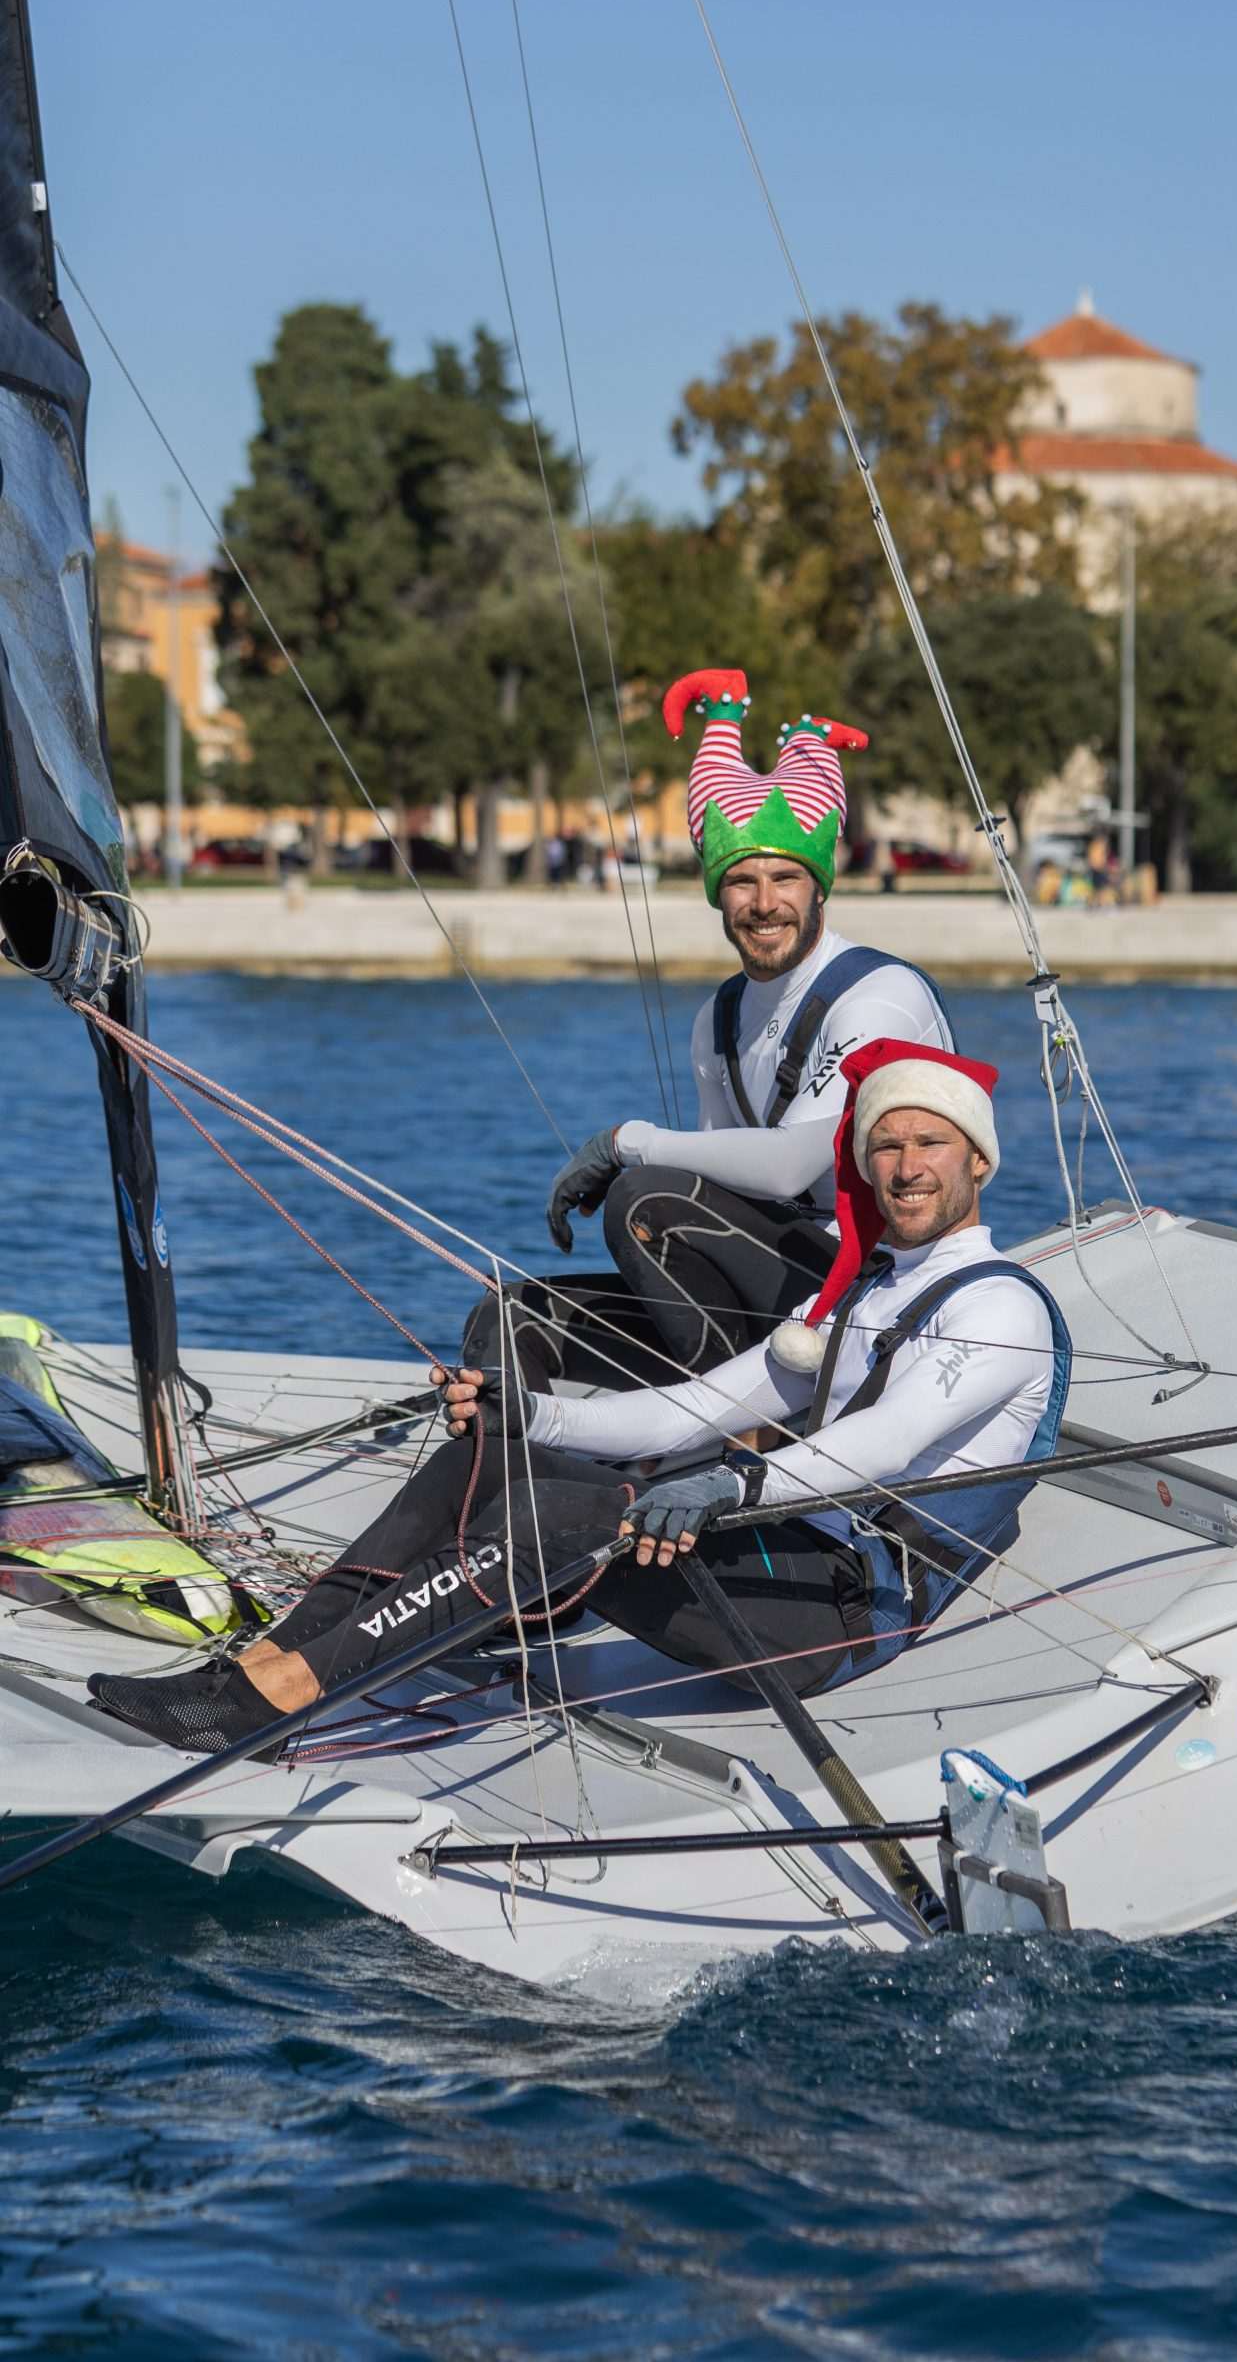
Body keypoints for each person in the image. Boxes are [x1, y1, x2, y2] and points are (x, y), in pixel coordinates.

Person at [89, 1042, 1072, 1754]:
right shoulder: (862, 1293)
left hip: (849, 1611)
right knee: (489, 1461)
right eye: (886, 1144)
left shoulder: (1000, 1307)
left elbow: (884, 1449)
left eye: (930, 1144)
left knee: (560, 1513)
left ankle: (287, 1696)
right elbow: (690, 1410)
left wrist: (732, 1490)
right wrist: (533, 1414)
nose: (905, 1165)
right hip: (790, 1556)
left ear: (977, 1160)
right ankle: (265, 1665)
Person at [463, 667, 954, 1393]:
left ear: (818, 886)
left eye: (784, 879)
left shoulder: (877, 996)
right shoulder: (716, 1020)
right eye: (739, 882)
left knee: (646, 1199)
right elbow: (723, 1178)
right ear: (715, 895)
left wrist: (625, 1144)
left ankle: (701, 1431)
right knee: (508, 1316)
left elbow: (789, 1165)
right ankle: (523, 1471)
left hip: (884, 1293)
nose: (764, 904)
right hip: (777, 1292)